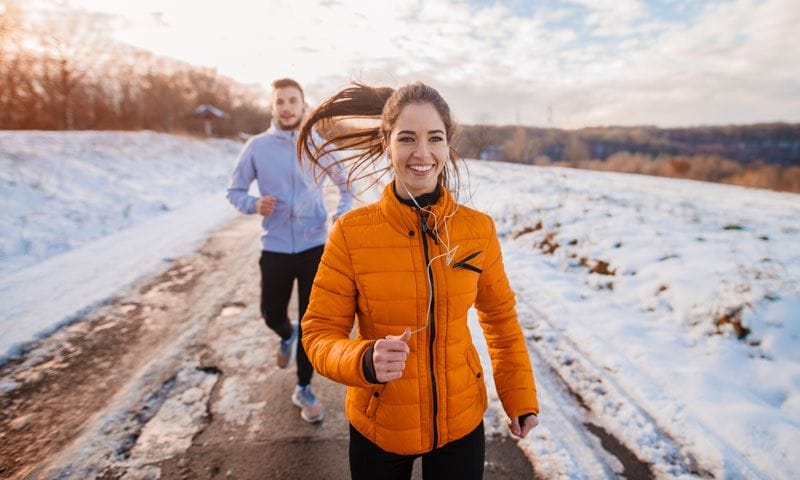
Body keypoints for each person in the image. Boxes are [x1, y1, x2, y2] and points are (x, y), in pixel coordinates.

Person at [297, 82, 539, 479]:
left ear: (448, 145)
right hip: (380, 427)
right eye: (407, 138)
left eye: (435, 138)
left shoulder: (477, 230)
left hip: (461, 423)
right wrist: (363, 359)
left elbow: (501, 321)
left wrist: (521, 398)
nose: (422, 153)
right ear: (385, 142)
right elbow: (318, 333)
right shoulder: (351, 233)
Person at [226, 78, 352, 424]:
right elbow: (234, 191)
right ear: (273, 107)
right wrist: (254, 203)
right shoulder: (257, 147)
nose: (286, 107)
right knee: (271, 313)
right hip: (276, 246)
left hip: (315, 246)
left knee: (312, 323)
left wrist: (341, 213)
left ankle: (304, 387)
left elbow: (347, 186)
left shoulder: (318, 145)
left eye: (292, 100)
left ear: (302, 104)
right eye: (280, 101)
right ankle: (285, 334)